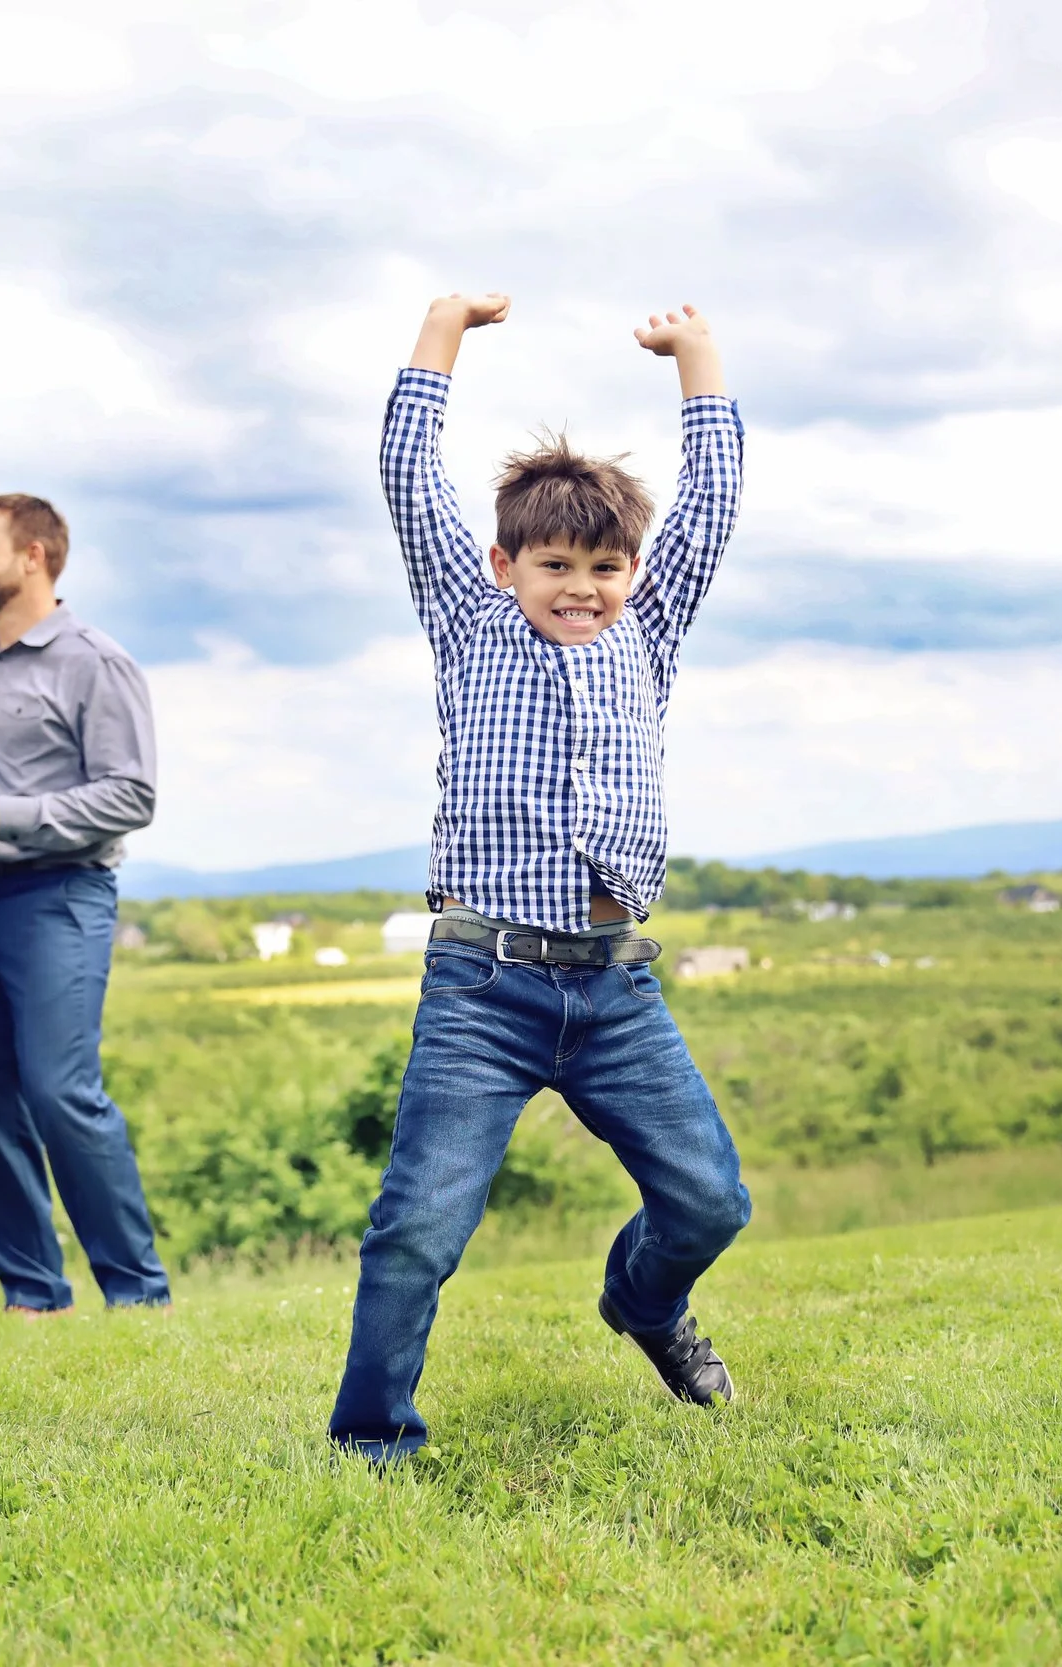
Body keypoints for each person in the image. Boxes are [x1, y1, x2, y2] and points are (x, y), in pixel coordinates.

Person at [327, 294, 752, 1461]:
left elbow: (710, 506)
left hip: (615, 991)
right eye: (555, 563)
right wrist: (439, 332)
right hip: (483, 984)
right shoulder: (469, 621)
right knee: (416, 1225)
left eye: (605, 565)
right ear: (503, 562)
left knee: (712, 1201)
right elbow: (407, 472)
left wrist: (697, 359)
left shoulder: (647, 636)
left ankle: (644, 1304)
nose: (582, 584)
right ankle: (372, 1440)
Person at [0, 494, 173, 1315]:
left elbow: (132, 795)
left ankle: (138, 1295)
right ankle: (32, 1295)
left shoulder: (95, 661)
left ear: (33, 556)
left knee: (62, 1091)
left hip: (61, 894)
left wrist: (8, 816)